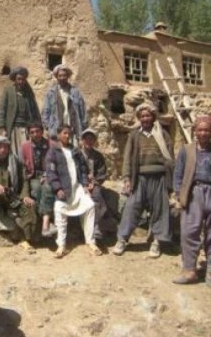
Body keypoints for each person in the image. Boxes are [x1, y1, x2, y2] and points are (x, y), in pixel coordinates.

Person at [112, 103, 174, 258]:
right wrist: (127, 177)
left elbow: (170, 157)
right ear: (139, 118)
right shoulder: (134, 135)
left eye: (148, 116)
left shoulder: (163, 134)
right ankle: (122, 239)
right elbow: (127, 157)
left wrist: (170, 182)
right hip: (139, 178)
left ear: (153, 117)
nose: (145, 118)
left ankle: (157, 241)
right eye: (142, 116)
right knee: (132, 207)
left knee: (159, 209)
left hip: (159, 178)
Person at [46, 125, 102, 258]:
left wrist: (85, 185)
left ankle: (91, 242)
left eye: (69, 133)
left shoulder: (75, 150)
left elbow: (83, 169)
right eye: (64, 133)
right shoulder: (53, 151)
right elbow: (51, 172)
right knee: (59, 209)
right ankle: (61, 245)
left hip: (77, 188)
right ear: (58, 134)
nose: (67, 136)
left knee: (90, 206)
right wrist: (57, 188)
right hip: (63, 190)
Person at [0, 136, 38, 253]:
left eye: (5, 147)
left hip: (12, 195)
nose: (2, 150)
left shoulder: (15, 160)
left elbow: (24, 179)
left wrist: (25, 196)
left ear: (9, 148)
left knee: (29, 206)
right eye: (0, 147)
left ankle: (27, 238)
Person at [173, 116, 211, 285]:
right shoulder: (186, 150)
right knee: (189, 232)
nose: (203, 133)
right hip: (193, 193)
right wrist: (179, 194)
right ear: (195, 131)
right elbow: (178, 173)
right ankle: (189, 270)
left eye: (207, 130)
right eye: (200, 129)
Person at [19, 122, 56, 237]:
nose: (35, 134)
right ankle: (47, 221)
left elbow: (56, 163)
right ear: (29, 134)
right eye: (32, 132)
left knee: (48, 188)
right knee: (36, 190)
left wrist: (47, 174)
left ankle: (45, 224)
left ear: (42, 131)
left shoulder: (51, 145)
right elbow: (23, 167)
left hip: (49, 175)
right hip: (33, 176)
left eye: (37, 131)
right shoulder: (25, 146)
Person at [0, 66, 41, 157]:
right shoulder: (8, 91)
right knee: (14, 153)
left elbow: (35, 110)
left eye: (23, 79)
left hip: (26, 128)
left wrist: (38, 125)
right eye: (19, 79)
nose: (21, 81)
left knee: (27, 153)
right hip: (13, 128)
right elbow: (2, 109)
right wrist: (2, 127)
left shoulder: (28, 93)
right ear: (15, 79)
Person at [42, 64, 88, 143]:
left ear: (68, 77)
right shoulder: (51, 93)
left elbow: (82, 111)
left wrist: (83, 127)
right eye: (60, 76)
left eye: (64, 75)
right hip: (56, 131)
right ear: (56, 77)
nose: (62, 78)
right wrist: (48, 127)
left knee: (72, 149)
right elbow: (46, 111)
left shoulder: (75, 92)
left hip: (73, 129)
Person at [79, 128, 111, 240]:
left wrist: (94, 182)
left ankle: (96, 226)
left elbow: (102, 173)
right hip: (79, 184)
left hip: (94, 184)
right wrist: (83, 184)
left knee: (97, 196)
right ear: (82, 140)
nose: (89, 142)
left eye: (91, 139)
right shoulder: (77, 154)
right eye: (86, 139)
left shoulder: (98, 156)